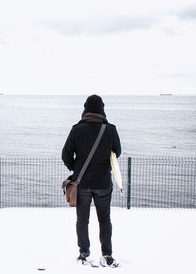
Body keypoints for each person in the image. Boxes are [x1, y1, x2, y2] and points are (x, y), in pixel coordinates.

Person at [62, 94, 121, 267]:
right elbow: (116, 153)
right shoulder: (110, 130)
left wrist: (76, 169)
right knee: (104, 219)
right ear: (102, 109)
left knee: (82, 220)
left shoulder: (76, 130)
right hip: (103, 183)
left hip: (82, 183)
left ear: (85, 108)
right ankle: (107, 255)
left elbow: (65, 154)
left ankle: (83, 254)